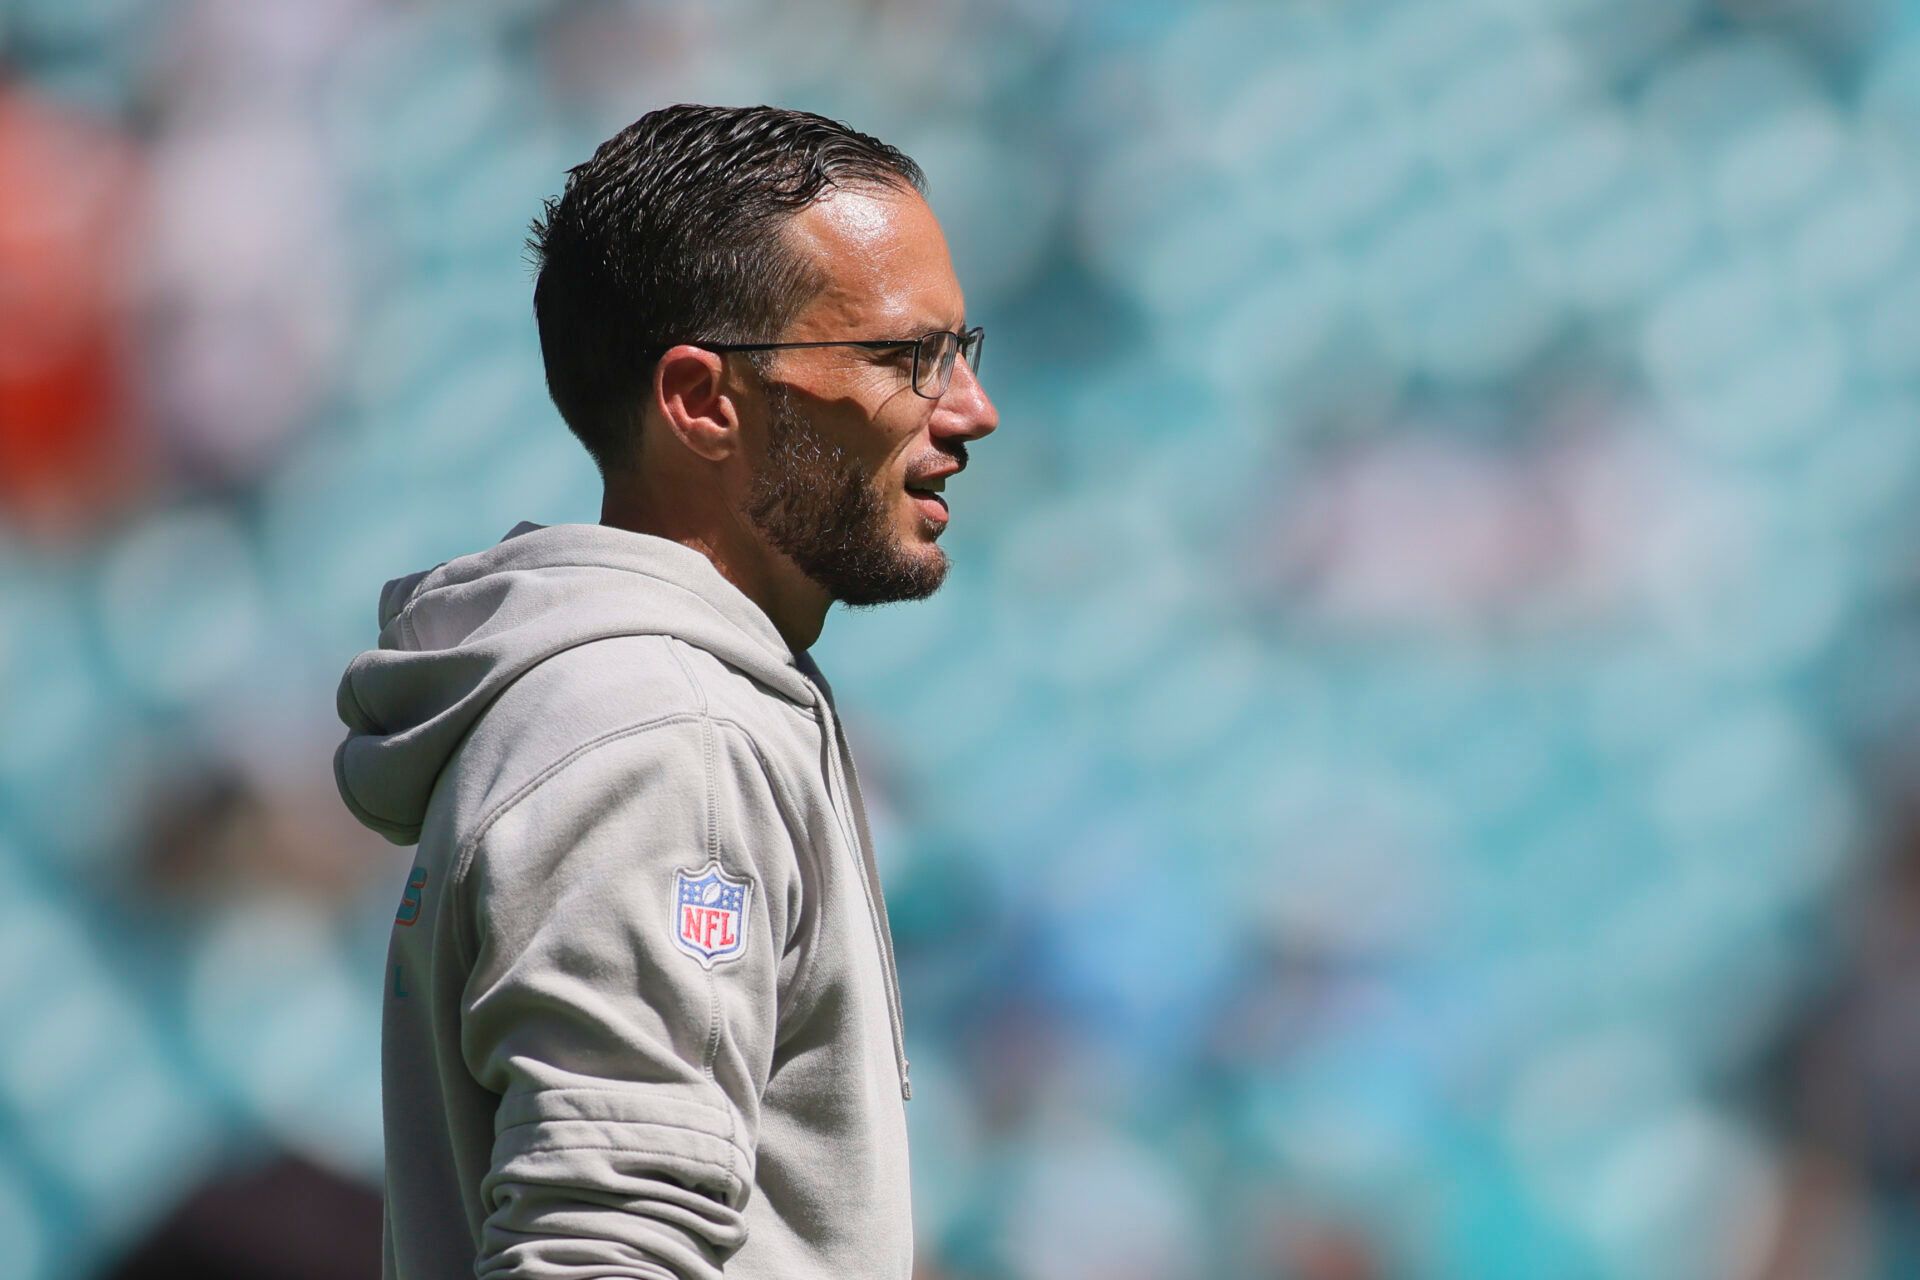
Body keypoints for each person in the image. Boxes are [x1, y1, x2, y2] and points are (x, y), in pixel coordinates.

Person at [332, 103, 999, 1280]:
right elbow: (601, 1250)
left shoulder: (646, 703)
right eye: (909, 357)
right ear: (702, 400)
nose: (969, 410)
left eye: (963, 350)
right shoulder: (667, 730)